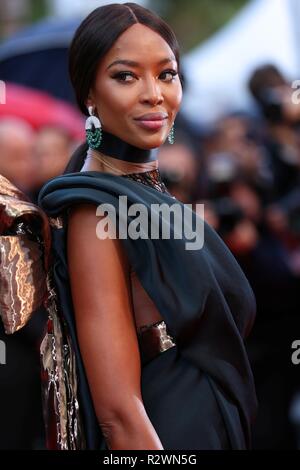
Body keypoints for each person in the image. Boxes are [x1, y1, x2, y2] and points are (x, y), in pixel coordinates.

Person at [38, 3, 257, 450]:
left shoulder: (149, 192)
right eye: (125, 76)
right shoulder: (94, 210)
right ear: (89, 94)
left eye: (166, 74)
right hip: (164, 431)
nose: (153, 93)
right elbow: (118, 413)